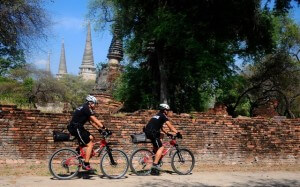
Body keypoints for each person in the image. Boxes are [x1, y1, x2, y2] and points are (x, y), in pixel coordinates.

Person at [67, 95, 106, 171]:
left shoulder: (84, 107)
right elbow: (95, 120)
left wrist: (99, 129)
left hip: (78, 127)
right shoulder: (86, 108)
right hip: (76, 128)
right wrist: (105, 128)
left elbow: (91, 122)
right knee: (90, 145)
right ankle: (86, 164)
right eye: (95, 103)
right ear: (90, 103)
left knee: (91, 137)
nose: (95, 105)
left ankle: (81, 152)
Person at [144, 103, 182, 175]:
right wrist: (177, 133)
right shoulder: (163, 116)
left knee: (162, 134)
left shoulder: (157, 115)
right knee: (161, 147)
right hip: (152, 133)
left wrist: (167, 133)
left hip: (148, 132)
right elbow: (170, 126)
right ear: (164, 110)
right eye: (167, 110)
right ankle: (155, 166)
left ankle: (156, 153)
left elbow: (161, 127)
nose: (168, 112)